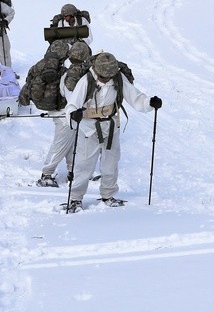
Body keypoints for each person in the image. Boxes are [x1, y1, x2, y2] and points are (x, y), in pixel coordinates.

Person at [63, 52, 161, 212]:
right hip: (89, 128)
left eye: (109, 76)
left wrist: (150, 102)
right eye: (103, 77)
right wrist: (74, 114)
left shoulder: (118, 78)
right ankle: (75, 198)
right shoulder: (86, 80)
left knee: (111, 163)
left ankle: (108, 195)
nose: (106, 79)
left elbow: (135, 98)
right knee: (84, 164)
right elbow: (73, 104)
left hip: (110, 125)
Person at [36, 40, 92, 187]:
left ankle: (72, 171)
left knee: (71, 144)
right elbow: (72, 96)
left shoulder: (69, 68)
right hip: (64, 114)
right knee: (61, 144)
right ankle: (46, 174)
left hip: (66, 113)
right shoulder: (72, 73)